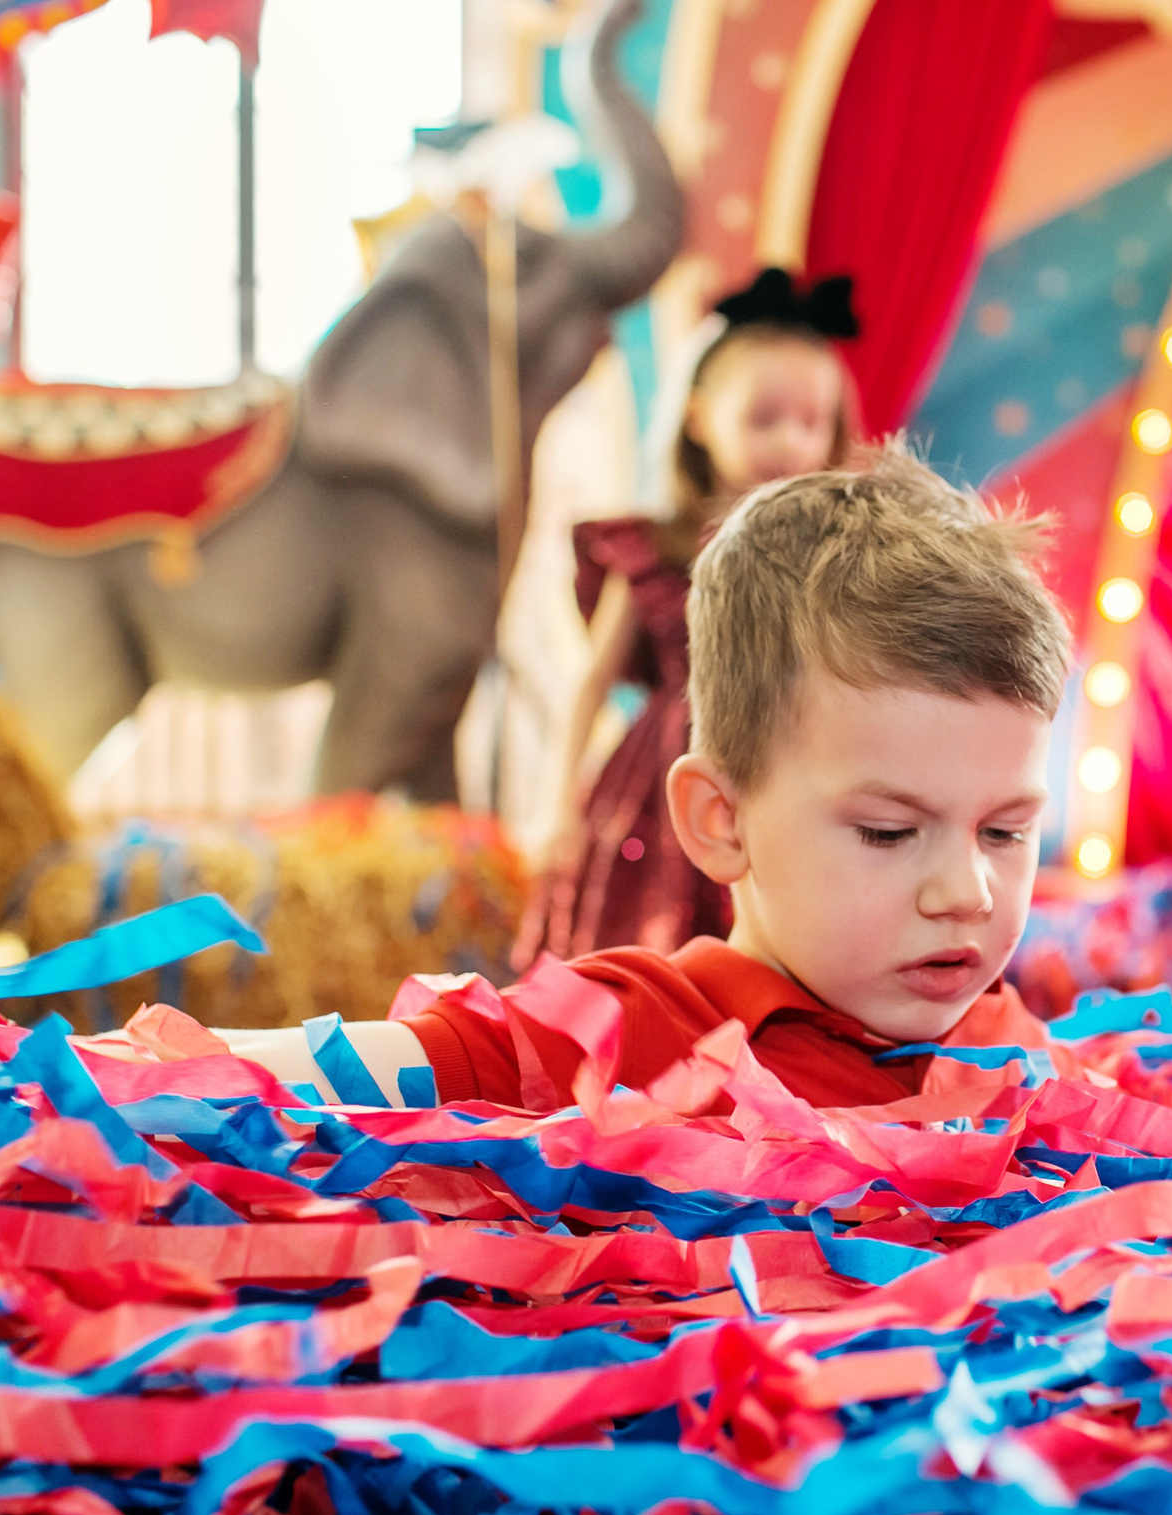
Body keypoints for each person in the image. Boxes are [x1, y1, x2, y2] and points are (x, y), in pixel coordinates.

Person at [183, 442, 1076, 1112]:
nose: (967, 890)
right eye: (889, 831)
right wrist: (83, 1073)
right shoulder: (632, 1033)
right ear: (719, 820)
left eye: (1006, 831)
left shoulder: (1011, 1045)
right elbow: (304, 1071)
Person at [512, 267, 860, 965]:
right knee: (643, 937)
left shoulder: (836, 555)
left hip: (789, 767)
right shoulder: (658, 549)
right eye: (764, 419)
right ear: (699, 417)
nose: (790, 442)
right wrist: (554, 807)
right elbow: (591, 680)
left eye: (811, 422)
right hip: (663, 780)